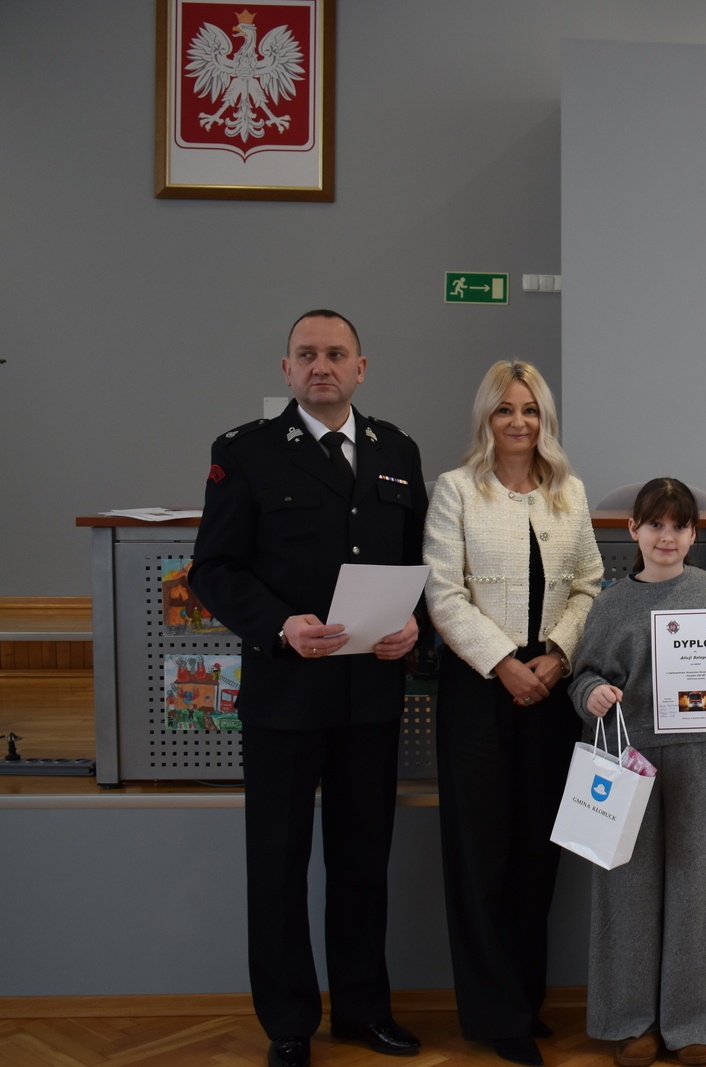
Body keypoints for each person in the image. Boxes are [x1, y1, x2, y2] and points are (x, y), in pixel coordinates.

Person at [191, 310, 426, 1067]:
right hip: (285, 692)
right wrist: (278, 625)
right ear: (286, 369)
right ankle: (289, 1021)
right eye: (306, 354)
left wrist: (415, 624)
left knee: (363, 862)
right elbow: (213, 569)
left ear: (361, 367)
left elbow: (419, 561)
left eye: (335, 353)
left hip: (369, 693)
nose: (321, 365)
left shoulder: (396, 450)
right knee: (279, 863)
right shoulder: (246, 452)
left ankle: (362, 1010)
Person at [422, 360, 603, 1066]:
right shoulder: (456, 489)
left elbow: (589, 584)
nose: (518, 422)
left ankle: (527, 1001)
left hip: (549, 688)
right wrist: (503, 663)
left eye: (529, 410)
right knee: (482, 855)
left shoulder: (568, 492)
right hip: (480, 687)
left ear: (544, 418)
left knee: (536, 853)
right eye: (505, 410)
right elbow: (443, 593)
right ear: (486, 419)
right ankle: (496, 1014)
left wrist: (557, 655)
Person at [569, 478, 706, 1067]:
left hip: (699, 757)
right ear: (633, 530)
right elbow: (582, 677)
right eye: (655, 524)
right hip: (630, 758)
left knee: (698, 890)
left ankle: (693, 1022)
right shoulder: (610, 604)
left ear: (693, 534)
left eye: (679, 526)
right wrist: (592, 693)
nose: (667, 537)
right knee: (626, 890)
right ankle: (630, 1022)